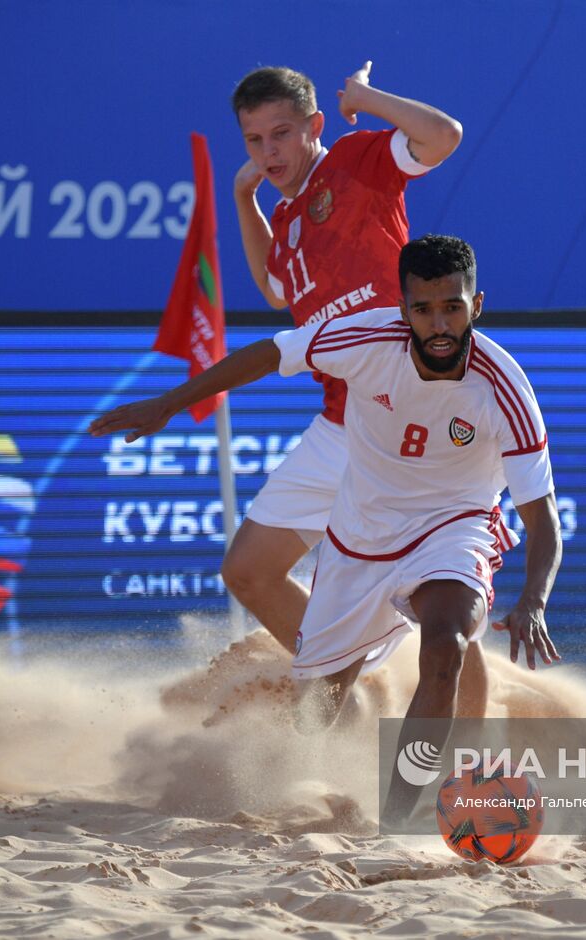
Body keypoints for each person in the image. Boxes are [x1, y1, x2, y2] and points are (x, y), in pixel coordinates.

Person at [90, 235, 562, 824]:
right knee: (320, 704)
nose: (439, 323)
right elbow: (270, 352)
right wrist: (170, 401)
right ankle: (285, 781)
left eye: (453, 307)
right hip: (360, 536)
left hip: (454, 526)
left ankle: (399, 818)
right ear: (402, 309)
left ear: (477, 304)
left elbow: (542, 519)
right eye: (423, 309)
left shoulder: (505, 388)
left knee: (447, 645)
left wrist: (534, 601)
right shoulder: (365, 338)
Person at [225, 63, 465, 672]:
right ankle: (343, 674)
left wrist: (367, 98)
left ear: (315, 126)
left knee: (431, 600)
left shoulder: (357, 161)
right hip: (340, 423)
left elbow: (443, 135)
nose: (268, 150)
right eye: (254, 140)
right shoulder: (285, 216)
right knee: (247, 572)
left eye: (280, 133)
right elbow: (275, 287)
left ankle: (461, 738)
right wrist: (243, 198)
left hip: (404, 418)